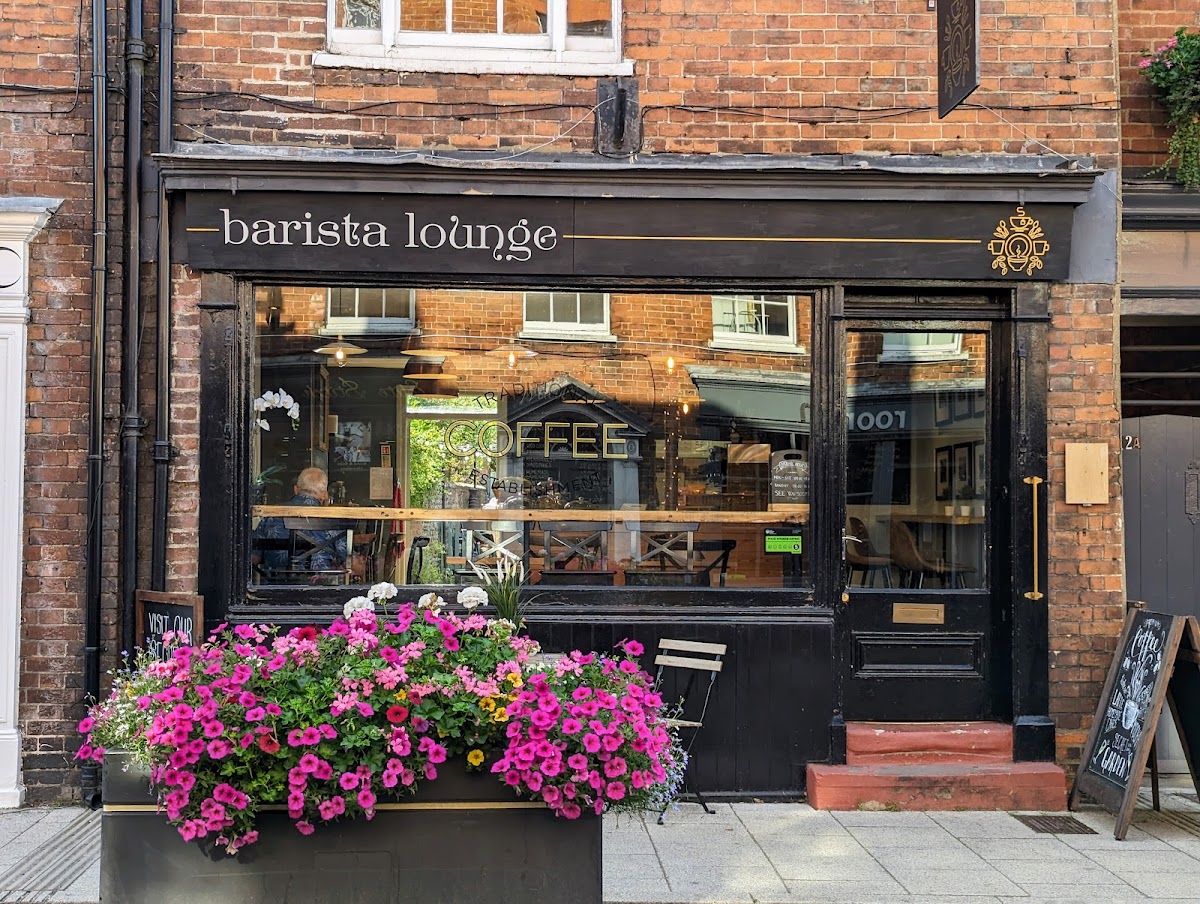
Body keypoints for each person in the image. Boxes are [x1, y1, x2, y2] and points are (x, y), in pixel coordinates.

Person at [255, 467, 354, 580]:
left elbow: (253, 557)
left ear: (296, 489)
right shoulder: (332, 520)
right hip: (321, 586)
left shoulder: (271, 515)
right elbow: (348, 562)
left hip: (275, 585)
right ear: (324, 495)